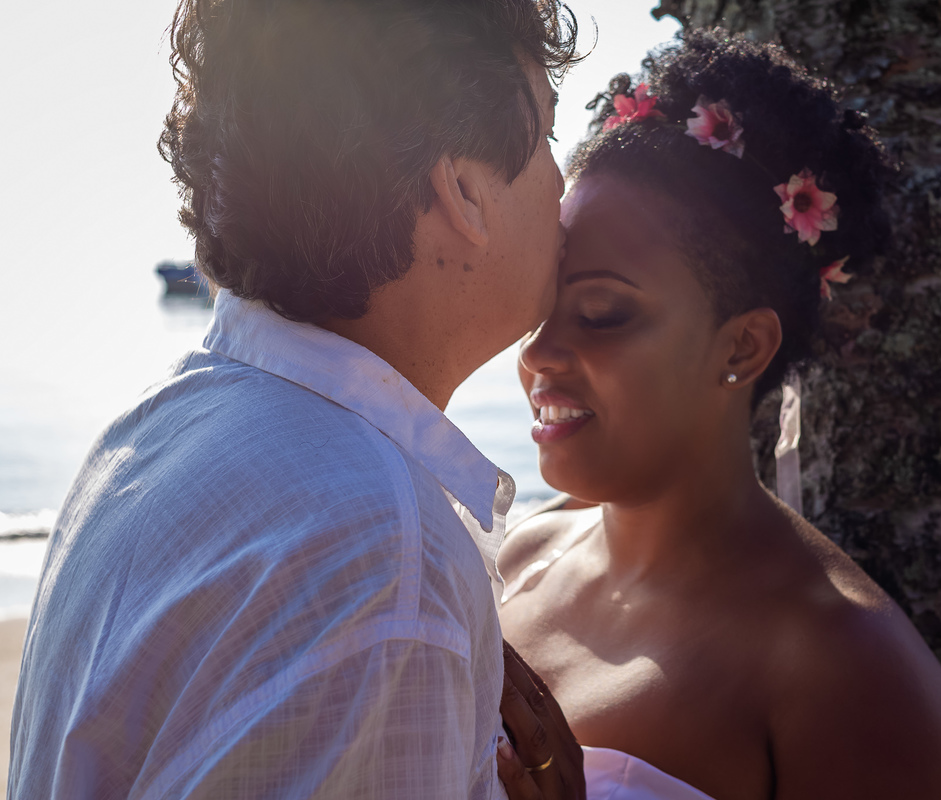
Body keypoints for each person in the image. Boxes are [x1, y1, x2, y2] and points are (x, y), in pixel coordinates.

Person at [8, 1, 583, 798]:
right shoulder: (385, 552)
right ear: (462, 190)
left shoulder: (157, 430)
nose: (565, 181)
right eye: (550, 135)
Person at [498, 30, 941, 800]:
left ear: (745, 346)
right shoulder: (515, 565)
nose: (537, 354)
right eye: (538, 304)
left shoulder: (849, 678)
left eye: (599, 312)